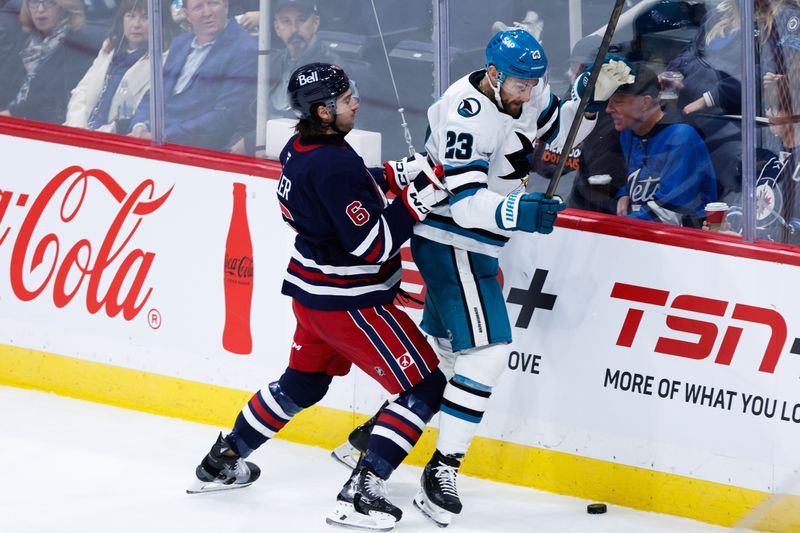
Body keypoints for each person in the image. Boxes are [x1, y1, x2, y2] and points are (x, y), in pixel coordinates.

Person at [339, 29, 633, 527]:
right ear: (494, 74)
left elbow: (557, 139)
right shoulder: (465, 113)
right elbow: (464, 198)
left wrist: (589, 100)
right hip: (451, 239)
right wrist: (518, 209)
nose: (528, 92)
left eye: (534, 83)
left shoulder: (527, 87)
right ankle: (442, 472)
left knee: (447, 362)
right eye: (520, 84)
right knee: (492, 352)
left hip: (478, 246)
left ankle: (370, 442)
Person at [188, 62, 451, 532]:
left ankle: (224, 458)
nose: (355, 101)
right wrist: (417, 200)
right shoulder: (333, 163)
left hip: (311, 298)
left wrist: (397, 173)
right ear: (324, 111)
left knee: (301, 385)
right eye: (346, 97)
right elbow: (372, 244)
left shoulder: (301, 146)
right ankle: (362, 492)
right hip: (353, 302)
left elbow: (349, 186)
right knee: (424, 389)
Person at [128, 0, 256, 150]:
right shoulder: (180, 43)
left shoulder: (245, 49)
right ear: (187, 15)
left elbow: (224, 117)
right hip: (153, 141)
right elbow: (155, 94)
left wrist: (162, 136)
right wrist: (140, 125)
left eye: (213, 3)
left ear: (226, 6)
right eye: (198, 7)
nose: (207, 13)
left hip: (196, 150)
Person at [608, 63, 718, 226]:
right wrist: (624, 193)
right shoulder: (628, 131)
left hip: (687, 240)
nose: (609, 109)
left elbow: (671, 213)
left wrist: (617, 228)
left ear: (645, 103)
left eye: (618, 102)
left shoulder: (681, 138)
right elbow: (639, 176)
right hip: (644, 231)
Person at [229, 0, 343, 155]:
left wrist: (250, 142)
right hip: (257, 155)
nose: (294, 29)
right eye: (286, 22)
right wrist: (236, 144)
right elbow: (247, 114)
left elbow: (315, 126)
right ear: (277, 28)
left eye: (301, 20)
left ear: (316, 23)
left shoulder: (331, 69)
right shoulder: (270, 63)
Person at [532, 34, 628, 214]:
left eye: (587, 69)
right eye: (577, 67)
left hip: (597, 212)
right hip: (552, 205)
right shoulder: (564, 104)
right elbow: (542, 168)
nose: (578, 74)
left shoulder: (620, 116)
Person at [64, 0, 175, 133]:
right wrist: (77, 128)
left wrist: (94, 136)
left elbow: (134, 116)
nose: (136, 24)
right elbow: (82, 91)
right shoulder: (109, 47)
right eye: (130, 15)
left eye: (145, 18)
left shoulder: (162, 61)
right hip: (77, 131)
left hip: (112, 140)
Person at [0, 0, 98, 123]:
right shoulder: (26, 38)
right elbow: (4, 80)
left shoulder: (77, 44)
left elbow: (56, 98)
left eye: (49, 2)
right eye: (34, 2)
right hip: (8, 120)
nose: (40, 9)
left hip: (42, 127)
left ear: (63, 7)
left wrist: (12, 113)